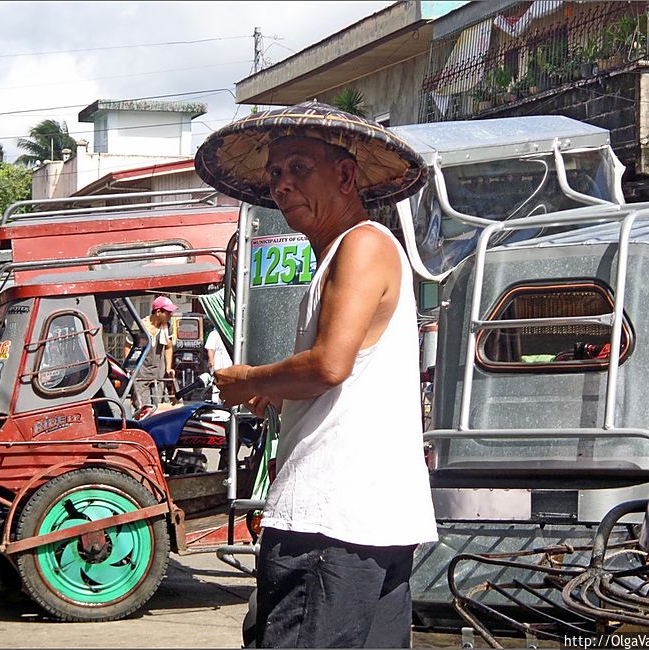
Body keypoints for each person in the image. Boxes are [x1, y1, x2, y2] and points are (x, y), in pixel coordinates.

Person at [194, 101, 438, 648]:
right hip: (369, 519)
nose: (282, 184)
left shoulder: (364, 243)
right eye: (275, 173)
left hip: (331, 517)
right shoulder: (342, 256)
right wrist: (278, 398)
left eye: (299, 168)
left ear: (346, 175)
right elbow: (346, 383)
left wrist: (247, 381)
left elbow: (329, 365)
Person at [134, 295, 178, 410]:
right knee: (142, 407)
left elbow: (168, 347)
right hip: (141, 373)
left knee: (159, 406)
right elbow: (128, 345)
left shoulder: (167, 327)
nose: (170, 315)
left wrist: (168, 367)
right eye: (168, 312)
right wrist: (131, 368)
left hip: (159, 373)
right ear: (158, 312)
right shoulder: (140, 326)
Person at [204, 324, 232, 402]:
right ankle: (216, 403)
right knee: (217, 386)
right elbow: (211, 349)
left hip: (230, 365)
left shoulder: (231, 332)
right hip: (219, 365)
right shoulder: (214, 334)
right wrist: (211, 360)